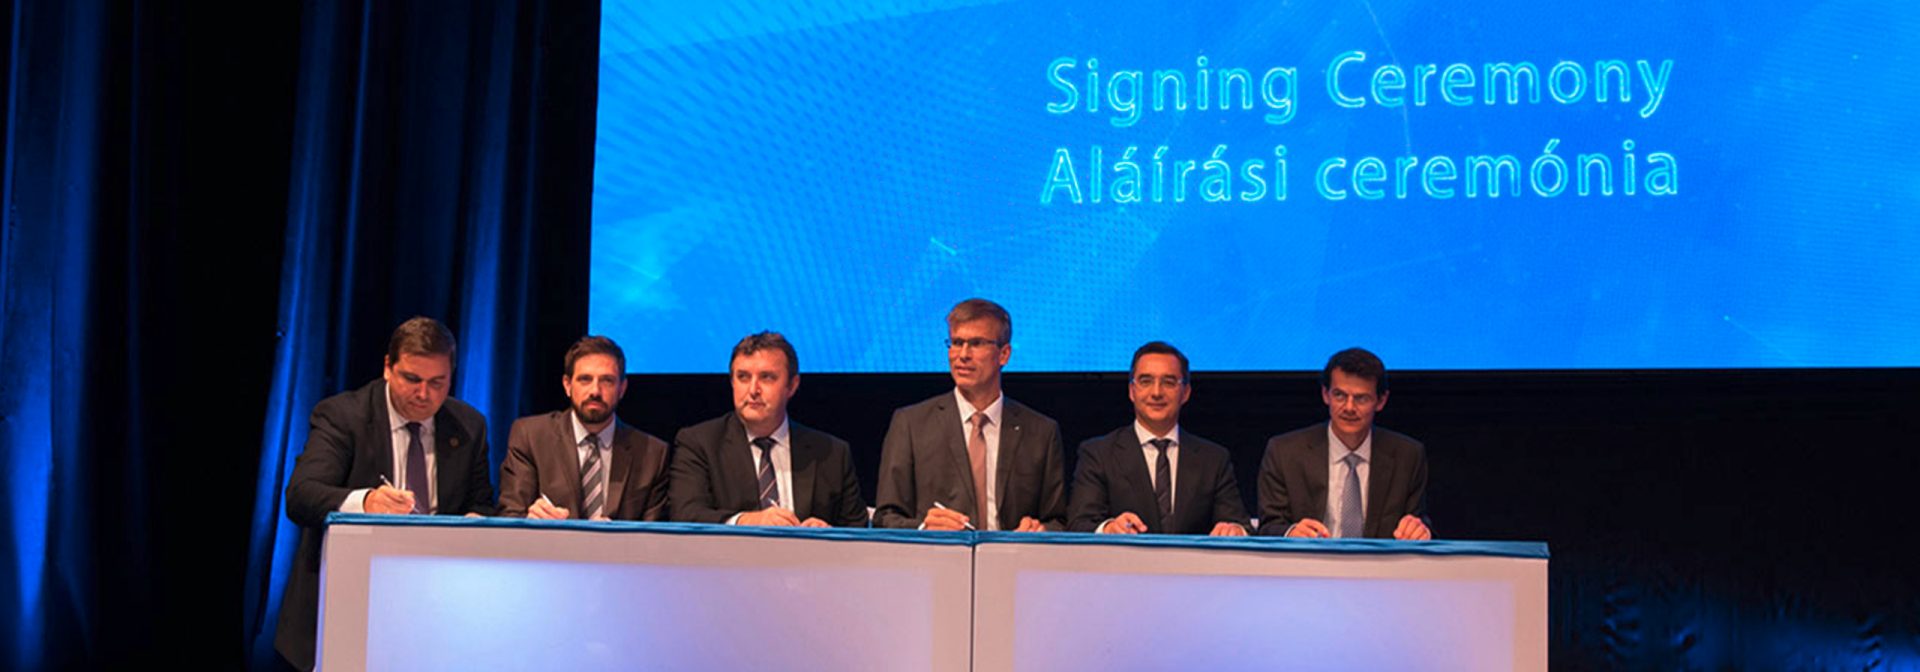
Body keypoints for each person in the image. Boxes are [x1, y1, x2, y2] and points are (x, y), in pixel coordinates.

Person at [275, 317, 496, 670]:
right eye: (412, 379)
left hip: (435, 606)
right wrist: (364, 502)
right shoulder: (343, 415)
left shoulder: (469, 425)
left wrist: (472, 525)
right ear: (388, 369)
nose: (424, 394)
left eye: (437, 383)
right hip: (349, 600)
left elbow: (482, 502)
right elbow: (301, 495)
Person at [873, 298, 1065, 531]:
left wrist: (1040, 530)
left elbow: (1059, 522)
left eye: (976, 343)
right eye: (956, 343)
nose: (962, 354)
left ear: (1004, 354)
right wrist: (924, 528)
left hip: (1012, 563)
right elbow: (885, 518)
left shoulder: (1041, 432)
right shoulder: (911, 424)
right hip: (936, 561)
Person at [669, 331, 867, 527]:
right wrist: (747, 520)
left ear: (792, 385)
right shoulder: (700, 443)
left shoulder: (832, 453)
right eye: (743, 377)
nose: (753, 390)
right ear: (732, 382)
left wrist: (829, 536)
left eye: (767, 378)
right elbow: (685, 514)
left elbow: (857, 530)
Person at [1068, 341, 1250, 536]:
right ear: (1132, 391)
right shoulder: (1098, 454)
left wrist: (1234, 530)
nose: (1156, 393)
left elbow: (1240, 525)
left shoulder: (1214, 459)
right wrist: (1109, 528)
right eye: (1146, 381)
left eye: (1169, 382)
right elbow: (1079, 524)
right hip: (1124, 564)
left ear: (1186, 393)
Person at [1256, 347, 1432, 540]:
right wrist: (1290, 533)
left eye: (1361, 398)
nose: (1349, 408)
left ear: (1381, 401)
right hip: (1307, 565)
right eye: (1339, 395)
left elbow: (1418, 521)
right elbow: (1268, 527)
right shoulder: (1285, 452)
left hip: (1380, 568)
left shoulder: (1407, 456)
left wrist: (1419, 531)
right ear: (1326, 395)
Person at [497, 335, 669, 521]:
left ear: (622, 389)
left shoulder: (653, 454)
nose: (595, 391)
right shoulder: (530, 436)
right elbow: (511, 516)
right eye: (585, 379)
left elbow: (654, 538)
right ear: (567, 385)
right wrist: (533, 523)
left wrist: (614, 538)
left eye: (607, 381)